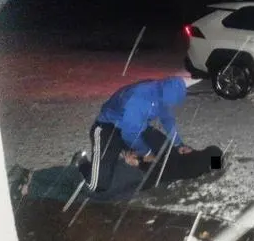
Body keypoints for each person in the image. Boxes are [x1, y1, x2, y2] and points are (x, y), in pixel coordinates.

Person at [73, 76, 222, 194]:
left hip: (136, 127)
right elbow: (129, 133)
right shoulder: (140, 98)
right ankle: (81, 161)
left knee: (155, 150)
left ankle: (126, 155)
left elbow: (167, 119)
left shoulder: (163, 94)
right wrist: (145, 154)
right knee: (98, 185)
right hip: (108, 127)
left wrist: (179, 144)